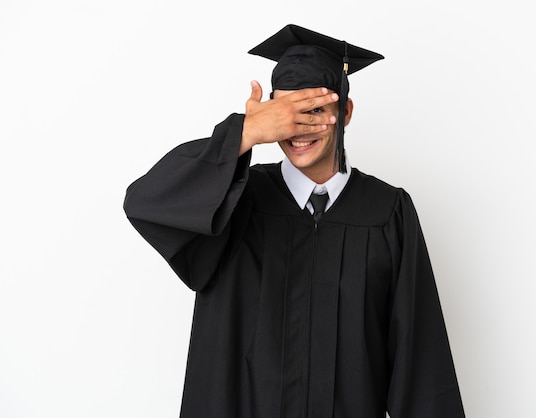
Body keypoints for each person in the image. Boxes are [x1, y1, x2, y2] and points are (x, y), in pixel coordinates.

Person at [124, 24, 464, 418]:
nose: (298, 129)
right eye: (286, 112)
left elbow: (420, 360)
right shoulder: (232, 199)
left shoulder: (387, 212)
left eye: (314, 110)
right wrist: (244, 133)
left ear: (346, 112)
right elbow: (145, 202)